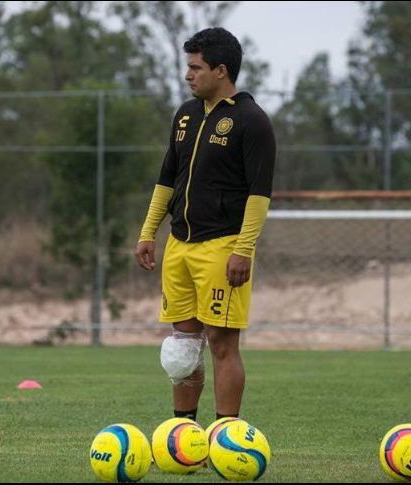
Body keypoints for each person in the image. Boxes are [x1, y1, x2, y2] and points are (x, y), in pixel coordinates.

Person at [136, 27, 276, 423]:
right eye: (188, 67)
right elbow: (167, 179)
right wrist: (149, 232)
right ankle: (185, 436)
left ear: (221, 70)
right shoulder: (185, 114)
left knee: (221, 344)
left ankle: (224, 438)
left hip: (223, 246)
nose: (188, 75)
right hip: (179, 245)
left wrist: (243, 249)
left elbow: (259, 195)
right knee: (183, 347)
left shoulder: (252, 121)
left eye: (195, 67)